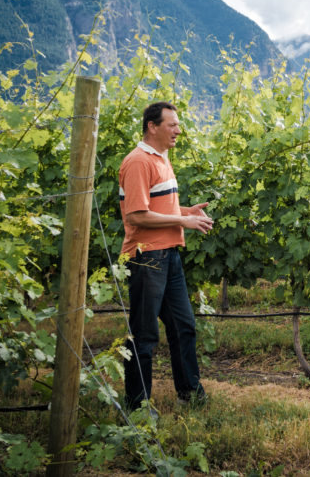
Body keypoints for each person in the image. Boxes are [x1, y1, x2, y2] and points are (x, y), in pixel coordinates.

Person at [119, 101, 214, 413]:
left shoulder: (161, 159)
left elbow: (159, 207)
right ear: (152, 126)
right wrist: (182, 221)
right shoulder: (137, 162)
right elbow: (136, 215)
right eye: (172, 124)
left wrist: (186, 212)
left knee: (183, 327)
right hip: (146, 258)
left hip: (168, 256)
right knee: (144, 335)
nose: (178, 130)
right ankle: (137, 406)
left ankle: (190, 394)